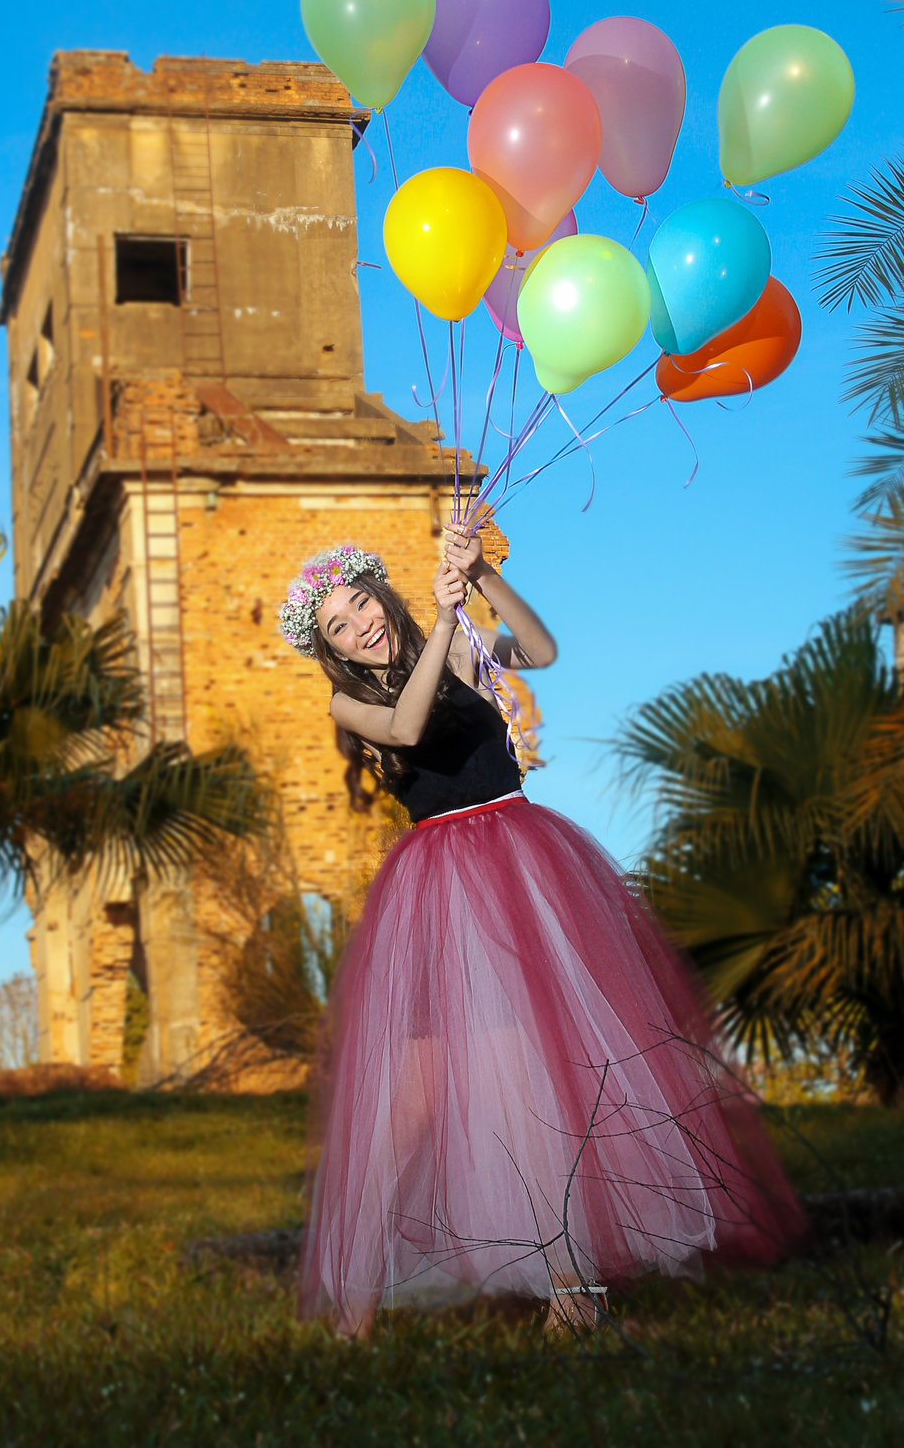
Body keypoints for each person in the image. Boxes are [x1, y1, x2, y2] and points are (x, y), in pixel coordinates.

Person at [280, 529, 806, 1336]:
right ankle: (352, 1311)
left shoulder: (463, 650)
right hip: (442, 889)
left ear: (382, 596)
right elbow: (410, 727)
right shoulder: (349, 703)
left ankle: (572, 1293)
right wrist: (445, 621)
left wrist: (480, 577)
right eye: (339, 628)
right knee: (409, 1105)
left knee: (534, 1083)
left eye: (361, 605)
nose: (360, 626)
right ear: (332, 653)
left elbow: (542, 649)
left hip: (522, 866)